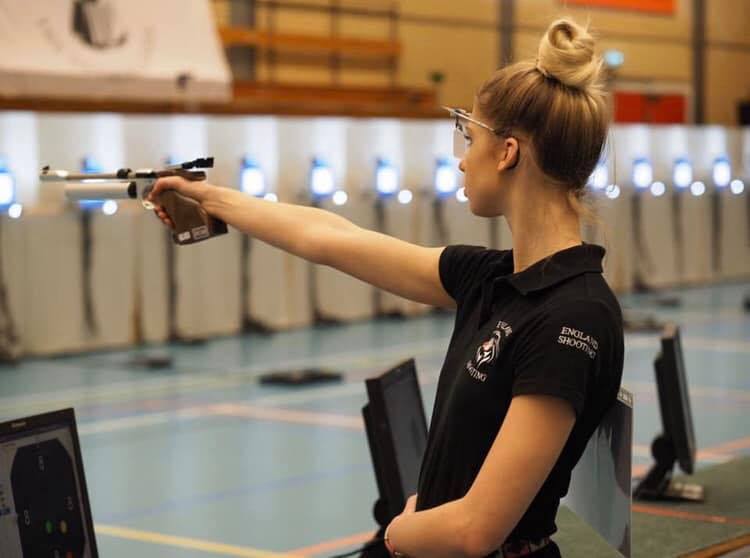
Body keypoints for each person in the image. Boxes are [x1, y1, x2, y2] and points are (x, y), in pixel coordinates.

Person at [148, 17, 624, 558]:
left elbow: (475, 530)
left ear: (508, 153)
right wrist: (209, 199)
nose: (462, 158)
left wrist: (399, 533)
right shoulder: (496, 280)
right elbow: (332, 239)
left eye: (471, 139)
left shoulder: (572, 317)